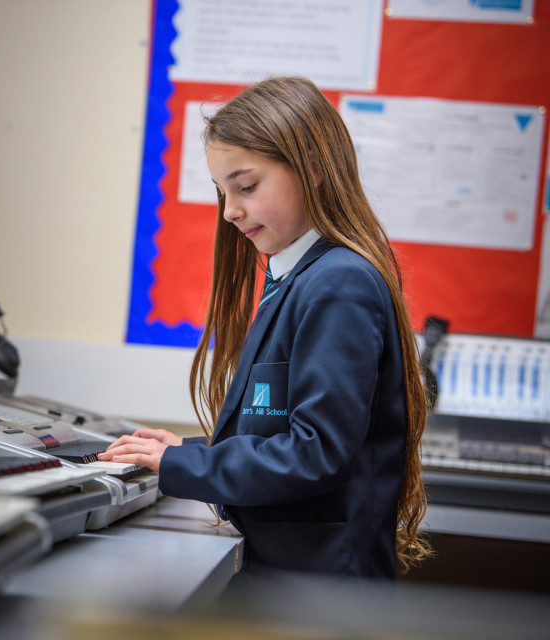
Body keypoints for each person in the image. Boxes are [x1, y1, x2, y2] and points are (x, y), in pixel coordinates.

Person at [99, 76, 430, 579]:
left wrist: (184, 467)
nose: (230, 211)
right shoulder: (299, 278)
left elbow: (316, 452)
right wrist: (186, 453)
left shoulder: (339, 283)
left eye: (247, 187)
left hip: (322, 587)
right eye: (222, 192)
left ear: (314, 170)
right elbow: (275, 428)